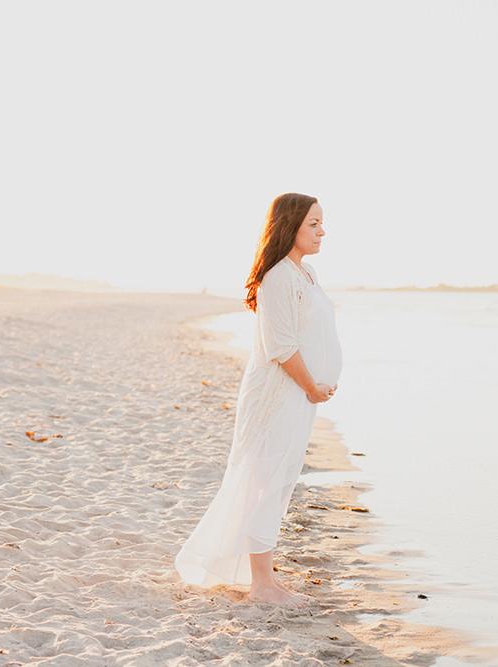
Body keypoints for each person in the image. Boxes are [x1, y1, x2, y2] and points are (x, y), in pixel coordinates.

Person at [174, 192, 342, 607]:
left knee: (279, 480)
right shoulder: (278, 278)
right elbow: (280, 347)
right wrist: (311, 386)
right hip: (279, 394)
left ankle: (265, 577)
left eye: (322, 223)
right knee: (264, 480)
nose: (322, 231)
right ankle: (262, 584)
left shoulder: (306, 273)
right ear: (290, 226)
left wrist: (318, 384)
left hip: (300, 394)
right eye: (313, 224)